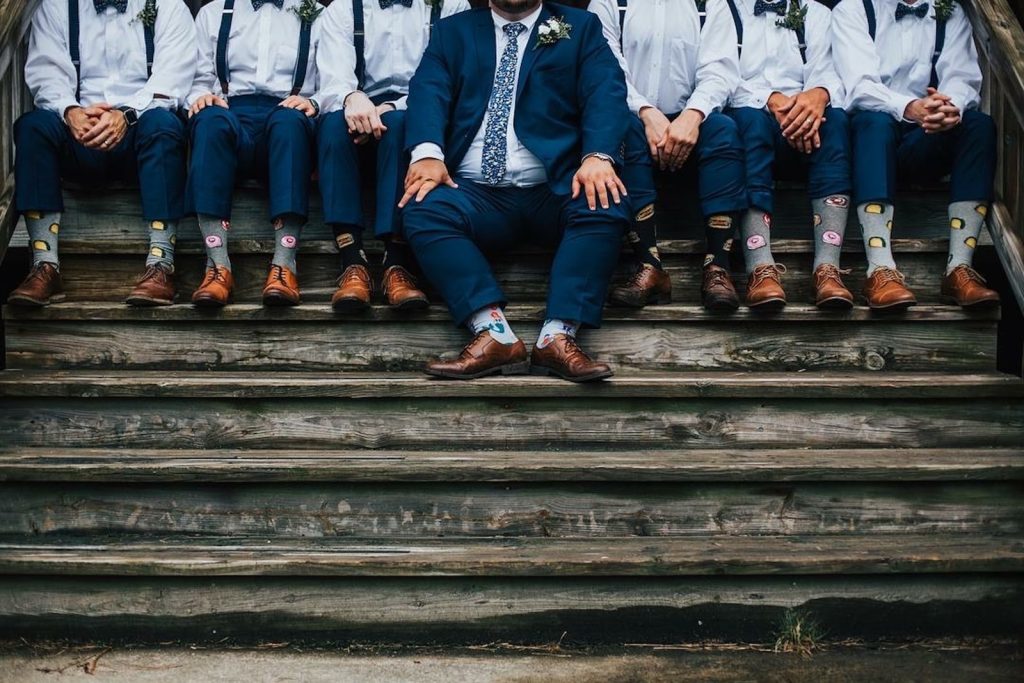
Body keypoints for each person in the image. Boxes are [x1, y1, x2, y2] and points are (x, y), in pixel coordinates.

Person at [400, 0, 631, 382]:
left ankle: (557, 337)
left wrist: (598, 156)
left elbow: (605, 92)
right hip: (475, 192)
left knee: (603, 201)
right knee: (424, 207)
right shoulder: (452, 32)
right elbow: (428, 90)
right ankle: (494, 332)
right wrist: (427, 152)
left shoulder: (580, 27)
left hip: (553, 187)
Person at [9, 0, 196, 307]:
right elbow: (48, 73)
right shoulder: (56, 7)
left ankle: (161, 265)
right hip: (79, 132)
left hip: (139, 135)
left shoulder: (168, 6)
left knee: (164, 124)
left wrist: (127, 114)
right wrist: (71, 112)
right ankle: (44, 265)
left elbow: (171, 81)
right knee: (32, 126)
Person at [832, 0, 1000, 309]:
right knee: (873, 121)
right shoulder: (853, 9)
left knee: (978, 125)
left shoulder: (948, 10)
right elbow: (858, 86)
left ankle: (959, 268)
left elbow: (962, 77)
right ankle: (880, 270)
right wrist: (910, 107)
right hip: (873, 141)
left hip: (926, 136)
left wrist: (950, 108)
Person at [587, 0, 749, 311]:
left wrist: (694, 114)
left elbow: (719, 70)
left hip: (690, 120)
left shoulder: (710, 4)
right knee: (625, 129)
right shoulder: (610, 3)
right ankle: (650, 267)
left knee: (724, 130)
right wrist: (645, 111)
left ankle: (718, 267)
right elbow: (606, 65)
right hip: (634, 117)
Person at [316, 0, 471, 312]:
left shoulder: (453, 5)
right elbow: (334, 77)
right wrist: (353, 98)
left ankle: (396, 264)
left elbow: (454, 76)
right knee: (333, 124)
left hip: (423, 112)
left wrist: (394, 107)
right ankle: (351, 261)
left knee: (399, 124)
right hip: (358, 112)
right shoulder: (344, 9)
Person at [185, 0, 324, 307]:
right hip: (231, 112)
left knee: (290, 123)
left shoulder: (316, 13)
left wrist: (314, 102)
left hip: (287, 114)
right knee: (208, 121)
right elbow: (196, 77)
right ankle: (217, 267)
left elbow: (333, 77)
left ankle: (284, 266)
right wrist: (201, 96)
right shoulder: (213, 12)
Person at [726, 0, 855, 309]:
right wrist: (770, 99)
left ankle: (827, 268)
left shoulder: (816, 12)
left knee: (835, 122)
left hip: (807, 127)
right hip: (753, 116)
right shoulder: (726, 9)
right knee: (748, 123)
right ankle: (760, 266)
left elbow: (830, 71)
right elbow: (721, 74)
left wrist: (818, 96)